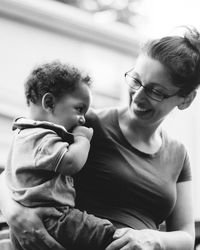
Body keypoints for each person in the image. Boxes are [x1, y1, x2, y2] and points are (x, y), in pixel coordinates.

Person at [0, 26, 200, 250]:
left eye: (156, 91)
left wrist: (152, 239)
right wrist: (15, 214)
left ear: (186, 100)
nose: (138, 97)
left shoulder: (178, 154)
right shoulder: (86, 124)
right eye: (136, 80)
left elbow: (186, 237)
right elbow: (14, 168)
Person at [3, 61, 115, 250]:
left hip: (30, 221)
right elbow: (71, 163)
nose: (83, 119)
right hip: (54, 217)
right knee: (102, 232)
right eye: (79, 109)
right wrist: (82, 139)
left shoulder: (22, 134)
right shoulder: (42, 137)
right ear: (49, 103)